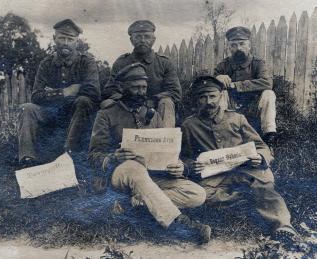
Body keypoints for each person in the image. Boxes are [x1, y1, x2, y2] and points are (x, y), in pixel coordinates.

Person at [88, 63, 211, 243]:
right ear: (122, 87)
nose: (141, 92)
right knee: (133, 167)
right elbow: (92, 156)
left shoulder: (151, 114)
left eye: (144, 88)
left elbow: (166, 146)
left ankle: (131, 207)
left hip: (152, 177)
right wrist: (113, 157)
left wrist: (178, 166)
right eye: (135, 87)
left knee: (197, 194)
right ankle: (181, 224)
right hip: (121, 176)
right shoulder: (107, 114)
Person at [181, 74, 300, 245]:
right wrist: (192, 165)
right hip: (213, 177)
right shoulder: (189, 125)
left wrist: (260, 157)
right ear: (197, 100)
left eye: (213, 96)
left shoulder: (236, 119)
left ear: (221, 97)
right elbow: (184, 157)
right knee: (202, 196)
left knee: (263, 184)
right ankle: (246, 198)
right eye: (203, 97)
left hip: (243, 170)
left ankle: (283, 226)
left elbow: (261, 146)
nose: (209, 102)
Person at [18, 19, 100, 166]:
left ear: (77, 42)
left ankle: (69, 155)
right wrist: (64, 92)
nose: (66, 43)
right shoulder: (46, 64)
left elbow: (93, 92)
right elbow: (36, 96)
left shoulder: (86, 62)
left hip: (77, 112)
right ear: (55, 39)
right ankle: (27, 158)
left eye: (70, 39)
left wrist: (51, 94)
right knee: (27, 108)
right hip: (51, 112)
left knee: (84, 101)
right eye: (62, 38)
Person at [102, 20, 182, 127]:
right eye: (138, 37)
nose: (143, 40)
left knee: (166, 102)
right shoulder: (121, 62)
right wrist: (126, 99)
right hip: (127, 108)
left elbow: (175, 92)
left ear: (153, 40)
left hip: (156, 108)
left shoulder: (164, 63)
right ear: (131, 40)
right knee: (108, 103)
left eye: (147, 37)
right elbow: (110, 90)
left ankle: (166, 139)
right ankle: (112, 141)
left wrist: (154, 99)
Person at [214, 26, 277, 147]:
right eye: (234, 45)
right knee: (220, 93)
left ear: (249, 45)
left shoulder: (258, 63)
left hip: (254, 104)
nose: (238, 48)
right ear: (229, 48)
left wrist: (236, 85)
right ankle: (222, 133)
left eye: (242, 44)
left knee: (269, 94)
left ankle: (270, 135)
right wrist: (217, 79)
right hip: (231, 104)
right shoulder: (223, 65)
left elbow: (267, 83)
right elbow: (209, 88)